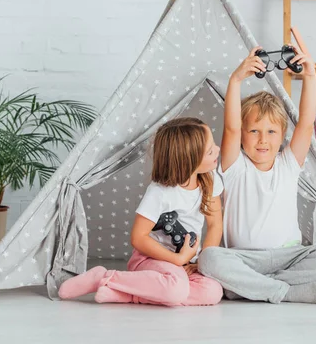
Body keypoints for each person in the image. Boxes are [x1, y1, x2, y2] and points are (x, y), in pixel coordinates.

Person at [198, 45, 316, 304]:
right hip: (244, 258)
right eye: (254, 131)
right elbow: (231, 128)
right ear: (244, 135)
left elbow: (304, 123)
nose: (262, 140)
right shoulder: (234, 166)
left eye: (271, 132)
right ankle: (284, 291)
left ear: (282, 136)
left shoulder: (288, 164)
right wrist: (236, 79)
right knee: (209, 258)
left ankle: (252, 289)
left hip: (289, 257)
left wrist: (310, 77)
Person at [58, 117, 224, 306]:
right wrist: (177, 259)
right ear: (189, 160)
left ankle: (127, 294)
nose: (218, 150)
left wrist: (200, 263)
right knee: (175, 289)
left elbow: (215, 224)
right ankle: (104, 277)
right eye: (210, 150)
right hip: (150, 258)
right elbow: (138, 237)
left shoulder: (209, 179)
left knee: (212, 292)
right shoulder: (160, 192)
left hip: (186, 261)